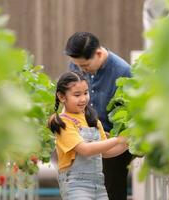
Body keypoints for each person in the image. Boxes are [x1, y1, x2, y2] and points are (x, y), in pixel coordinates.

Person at [64, 32, 133, 200]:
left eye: (85, 66)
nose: (81, 70)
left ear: (99, 54)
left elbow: (128, 116)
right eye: (77, 65)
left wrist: (112, 139)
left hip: (113, 145)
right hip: (82, 139)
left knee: (112, 191)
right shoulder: (76, 66)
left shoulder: (123, 71)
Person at [48, 71, 128, 200]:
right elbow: (85, 150)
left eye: (86, 93)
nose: (83, 98)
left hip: (99, 184)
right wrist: (118, 139)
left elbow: (106, 152)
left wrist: (128, 143)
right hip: (75, 185)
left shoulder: (92, 120)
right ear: (62, 97)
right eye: (77, 95)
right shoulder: (62, 122)